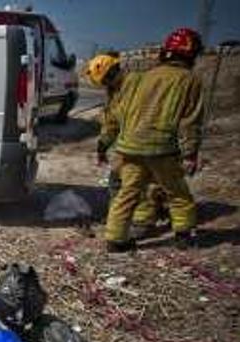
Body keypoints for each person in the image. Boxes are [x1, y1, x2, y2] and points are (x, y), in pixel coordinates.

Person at [97, 28, 205, 252]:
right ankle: (184, 235)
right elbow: (190, 121)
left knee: (127, 193)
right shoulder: (189, 80)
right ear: (192, 55)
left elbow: (120, 114)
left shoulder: (143, 77)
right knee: (177, 192)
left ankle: (115, 240)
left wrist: (107, 143)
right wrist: (190, 153)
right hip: (162, 148)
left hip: (130, 147)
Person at [84, 53, 168, 240]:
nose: (108, 83)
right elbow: (113, 121)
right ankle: (121, 217)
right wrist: (103, 144)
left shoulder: (141, 84)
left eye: (108, 79)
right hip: (130, 144)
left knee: (140, 183)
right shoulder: (116, 92)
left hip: (150, 142)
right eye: (105, 82)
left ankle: (142, 222)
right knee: (116, 179)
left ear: (115, 69)